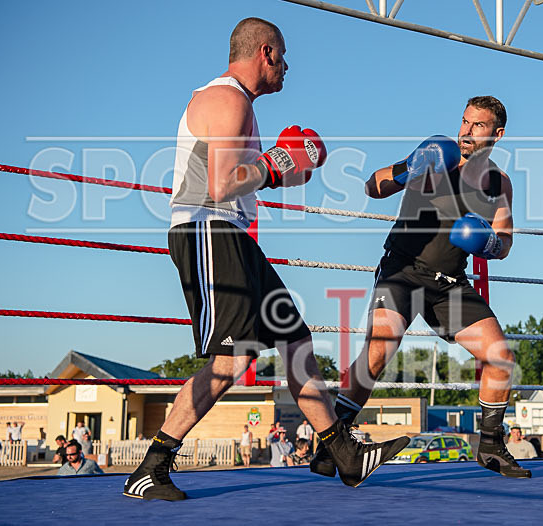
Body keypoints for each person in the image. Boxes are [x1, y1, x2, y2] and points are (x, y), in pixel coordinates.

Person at [122, 17, 409, 501]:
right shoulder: (226, 99)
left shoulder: (239, 105)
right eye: (284, 57)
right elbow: (220, 184)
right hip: (208, 230)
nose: (287, 67)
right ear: (266, 53)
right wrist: (277, 161)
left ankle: (342, 452)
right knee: (232, 359)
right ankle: (151, 467)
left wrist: (294, 167)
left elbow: (251, 178)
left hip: (230, 234)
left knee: (295, 338)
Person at [310, 96, 529, 480]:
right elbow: (371, 187)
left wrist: (490, 244)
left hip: (449, 284)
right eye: (464, 121)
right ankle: (333, 443)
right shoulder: (434, 157)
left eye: (478, 125)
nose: (466, 131)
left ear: (497, 134)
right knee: (380, 347)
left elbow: (505, 240)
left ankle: (491, 446)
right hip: (403, 270)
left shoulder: (499, 183)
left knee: (500, 357)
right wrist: (404, 171)